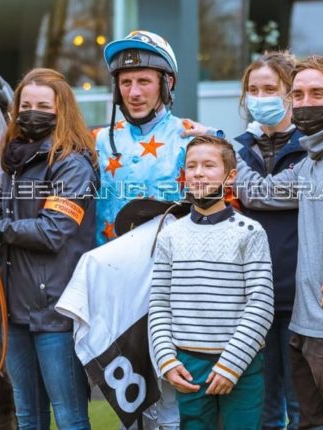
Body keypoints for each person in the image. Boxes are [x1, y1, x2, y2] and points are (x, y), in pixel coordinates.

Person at [233, 56, 323, 429]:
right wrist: (222, 146)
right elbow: (257, 191)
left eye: (317, 93)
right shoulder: (313, 159)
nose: (305, 102)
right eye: (297, 94)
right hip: (305, 323)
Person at [92, 29, 220, 429]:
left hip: (179, 289)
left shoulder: (195, 139)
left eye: (144, 81)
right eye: (125, 82)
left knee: (174, 400)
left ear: (166, 85)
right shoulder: (96, 142)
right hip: (117, 289)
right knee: (133, 405)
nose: (133, 91)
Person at [0, 67, 98, 430]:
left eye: (43, 105)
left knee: (69, 418)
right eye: (26, 104)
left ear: (61, 110)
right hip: (15, 311)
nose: (32, 112)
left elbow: (53, 231)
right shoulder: (18, 161)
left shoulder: (73, 164)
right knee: (27, 417)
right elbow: (8, 218)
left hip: (57, 312)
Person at [149, 135, 274, 429]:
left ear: (230, 176)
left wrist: (232, 364)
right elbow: (158, 303)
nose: (198, 172)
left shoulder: (250, 232)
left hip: (242, 364)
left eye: (208, 165)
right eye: (191, 166)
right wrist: (167, 360)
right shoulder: (170, 235)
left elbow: (261, 304)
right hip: (188, 363)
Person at [234, 51, 303, 430]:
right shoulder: (240, 147)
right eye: (253, 89)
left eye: (269, 88)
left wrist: (228, 157)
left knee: (302, 406)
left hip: (301, 299)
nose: (260, 96)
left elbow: (268, 194)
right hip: (251, 299)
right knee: (262, 411)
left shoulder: (313, 148)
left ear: (291, 94)